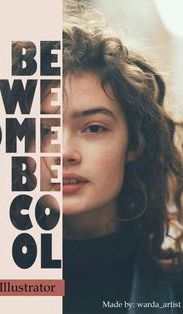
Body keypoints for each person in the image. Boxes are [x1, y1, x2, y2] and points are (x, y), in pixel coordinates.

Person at [57, 4, 183, 314]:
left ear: (134, 144)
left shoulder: (174, 288)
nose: (63, 151)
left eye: (94, 127)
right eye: (40, 129)